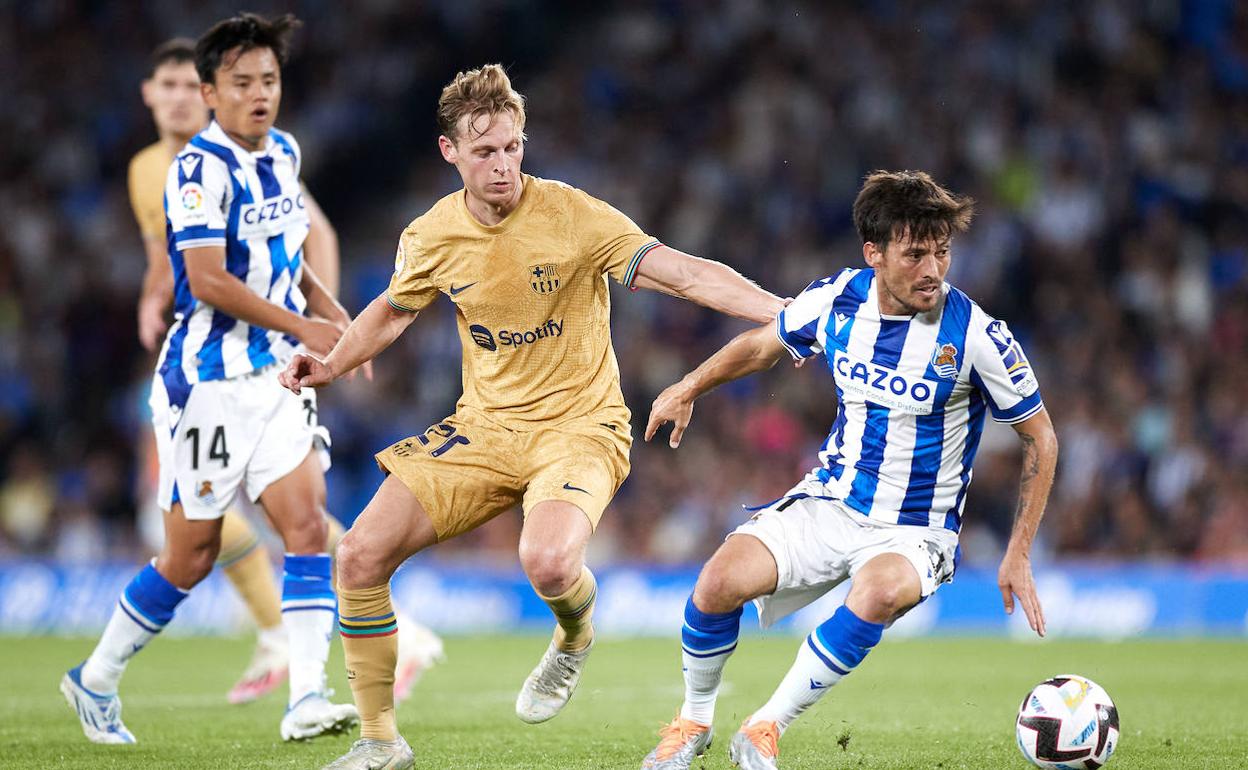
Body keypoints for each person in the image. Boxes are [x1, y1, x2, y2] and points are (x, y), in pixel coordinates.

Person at [277, 64, 786, 769]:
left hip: (581, 427)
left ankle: (575, 633)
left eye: (513, 147)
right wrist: (333, 364)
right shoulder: (431, 234)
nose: (503, 165)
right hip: (484, 428)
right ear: (450, 152)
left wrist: (785, 313)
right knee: (358, 556)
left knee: (546, 562)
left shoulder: (574, 215)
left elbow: (685, 272)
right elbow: (393, 311)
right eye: (485, 151)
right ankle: (380, 741)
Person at [639, 170, 1059, 770]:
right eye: (915, 255)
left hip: (916, 529)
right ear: (874, 253)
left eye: (942, 253)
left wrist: (1018, 551)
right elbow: (761, 346)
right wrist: (689, 386)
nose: (933, 270)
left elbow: (1040, 436)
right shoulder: (837, 300)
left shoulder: (977, 336)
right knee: (717, 583)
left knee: (880, 591)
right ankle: (694, 722)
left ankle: (764, 728)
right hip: (832, 500)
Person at [62, 13, 361, 744]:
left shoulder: (284, 151)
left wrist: (334, 314)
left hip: (274, 379)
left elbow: (288, 256)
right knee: (189, 557)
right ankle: (95, 677)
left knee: (306, 527)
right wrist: (304, 327)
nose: (260, 94)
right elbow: (207, 280)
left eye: (270, 80)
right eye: (242, 82)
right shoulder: (196, 171)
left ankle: (307, 696)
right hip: (205, 385)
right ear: (209, 93)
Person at [126, 38, 443, 707]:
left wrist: (320, 331)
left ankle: (298, 633)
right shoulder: (150, 169)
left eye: (189, 86)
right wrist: (153, 296)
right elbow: (172, 260)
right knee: (237, 509)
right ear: (150, 94)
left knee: (269, 511)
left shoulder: (252, 156)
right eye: (168, 86)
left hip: (262, 352)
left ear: (208, 94)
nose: (180, 99)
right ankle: (309, 633)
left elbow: (311, 235)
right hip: (203, 346)